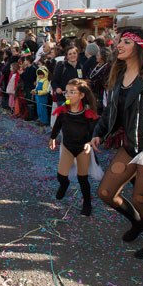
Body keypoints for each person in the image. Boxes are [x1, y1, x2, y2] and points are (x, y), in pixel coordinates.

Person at [90, 28, 143, 259]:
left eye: (126, 41)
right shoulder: (119, 72)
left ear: (140, 46)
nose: (119, 45)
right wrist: (99, 132)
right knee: (106, 192)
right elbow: (110, 110)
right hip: (129, 146)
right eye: (119, 41)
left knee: (141, 199)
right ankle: (138, 222)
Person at [50, 79, 99, 216]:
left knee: (82, 178)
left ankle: (87, 204)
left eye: (72, 92)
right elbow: (57, 125)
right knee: (61, 175)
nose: (68, 95)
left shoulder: (88, 113)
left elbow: (94, 131)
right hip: (67, 146)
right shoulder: (64, 110)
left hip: (83, 148)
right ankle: (64, 185)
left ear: (81, 95)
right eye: (67, 92)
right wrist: (52, 138)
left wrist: (90, 143)